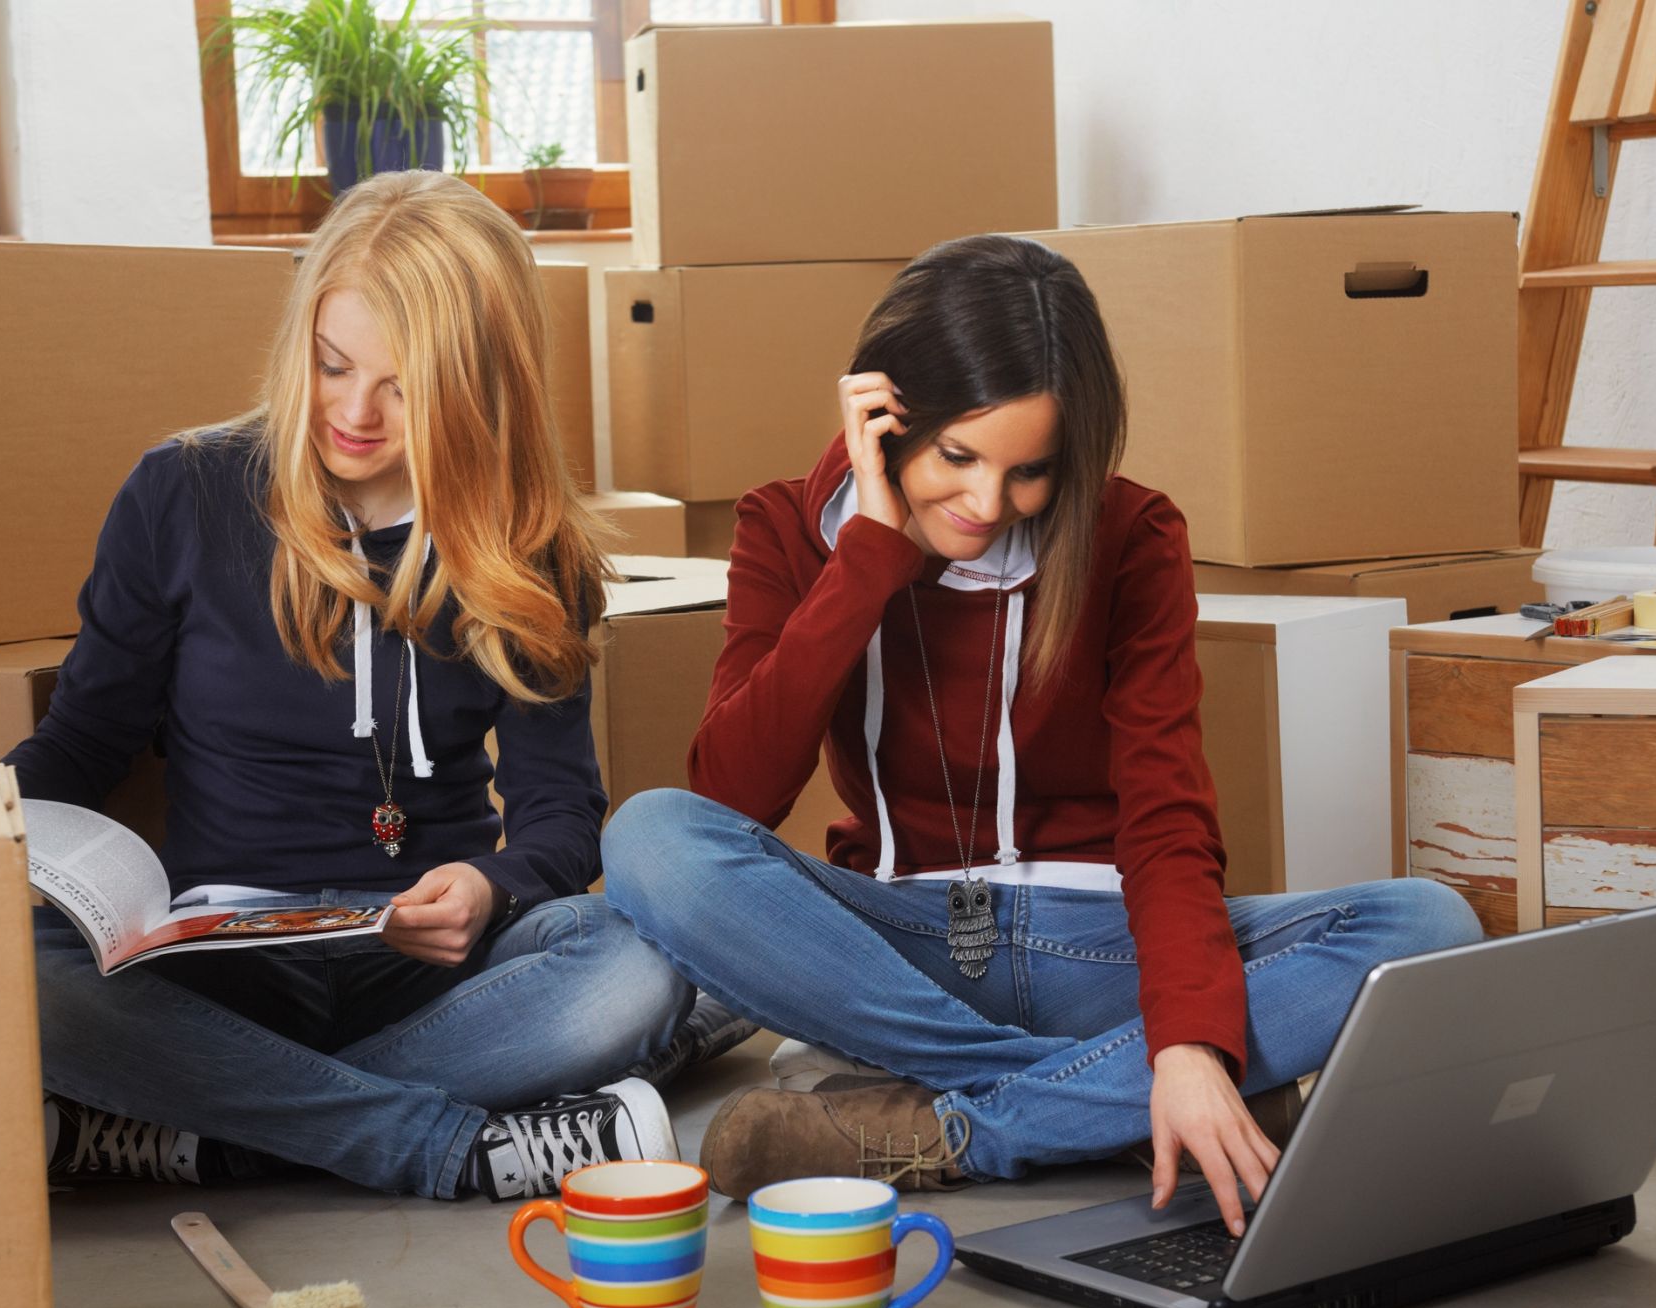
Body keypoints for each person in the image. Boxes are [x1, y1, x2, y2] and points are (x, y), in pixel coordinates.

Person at [599, 234, 1483, 1232]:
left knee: (1427, 922)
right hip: (899, 951)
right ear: (887, 416)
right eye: (957, 456)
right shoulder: (786, 528)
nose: (987, 503)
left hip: (1095, 948)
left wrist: (1189, 1039)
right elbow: (731, 796)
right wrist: (868, 560)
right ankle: (1114, 1106)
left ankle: (967, 1127)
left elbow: (1166, 816)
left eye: (1031, 471)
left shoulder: (1132, 536)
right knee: (649, 835)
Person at [12, 171, 694, 1203]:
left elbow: (561, 812)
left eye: (403, 385)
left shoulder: (526, 544)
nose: (355, 413)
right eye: (333, 367)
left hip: (428, 968)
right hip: (221, 965)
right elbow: (85, 739)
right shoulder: (184, 491)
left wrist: (488, 886)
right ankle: (432, 1141)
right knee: (18, 973)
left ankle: (225, 1129)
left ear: (479, 383)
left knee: (636, 962)